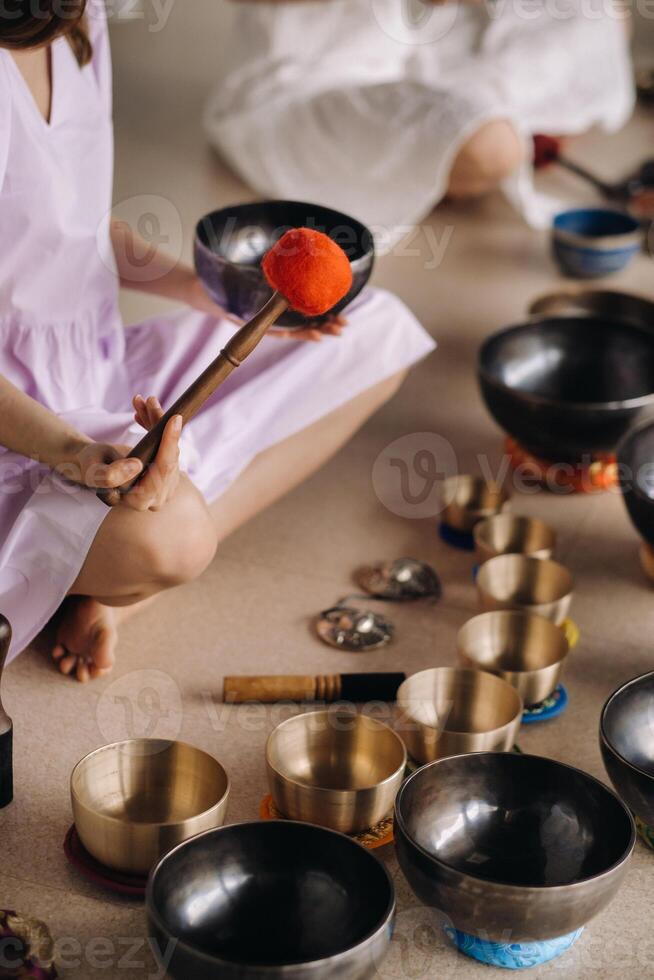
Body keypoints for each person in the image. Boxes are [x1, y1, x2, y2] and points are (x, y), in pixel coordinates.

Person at [0, 1, 435, 681]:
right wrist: (77, 455)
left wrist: (198, 290)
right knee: (174, 537)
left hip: (98, 366)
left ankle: (112, 595)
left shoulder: (80, 21)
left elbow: (64, 216)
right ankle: (123, 567)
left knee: (376, 332)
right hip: (21, 428)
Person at [205, 0, 635, 239]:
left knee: (601, 15)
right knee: (494, 148)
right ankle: (472, 151)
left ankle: (457, 145)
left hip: (410, 50)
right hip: (303, 89)